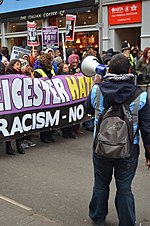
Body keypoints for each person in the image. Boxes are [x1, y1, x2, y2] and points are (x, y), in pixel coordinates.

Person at [85, 54, 150, 226]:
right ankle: (127, 222)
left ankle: (98, 217)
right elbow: (147, 128)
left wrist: (96, 84)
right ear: (129, 71)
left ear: (109, 69)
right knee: (124, 187)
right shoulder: (140, 95)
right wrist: (149, 155)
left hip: (101, 146)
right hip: (128, 149)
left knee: (100, 183)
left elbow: (88, 110)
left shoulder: (98, 89)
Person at [33, 53, 56, 143]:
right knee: (45, 117)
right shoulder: (38, 71)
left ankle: (50, 134)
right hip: (44, 97)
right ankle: (44, 136)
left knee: (52, 116)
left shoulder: (52, 69)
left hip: (52, 95)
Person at [6, 59, 25, 154]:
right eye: (17, 64)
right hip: (10, 104)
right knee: (10, 125)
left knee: (19, 125)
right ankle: (8, 147)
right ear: (12, 65)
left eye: (20, 65)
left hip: (19, 103)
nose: (19, 66)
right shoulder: (8, 75)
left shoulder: (21, 74)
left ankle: (19, 145)